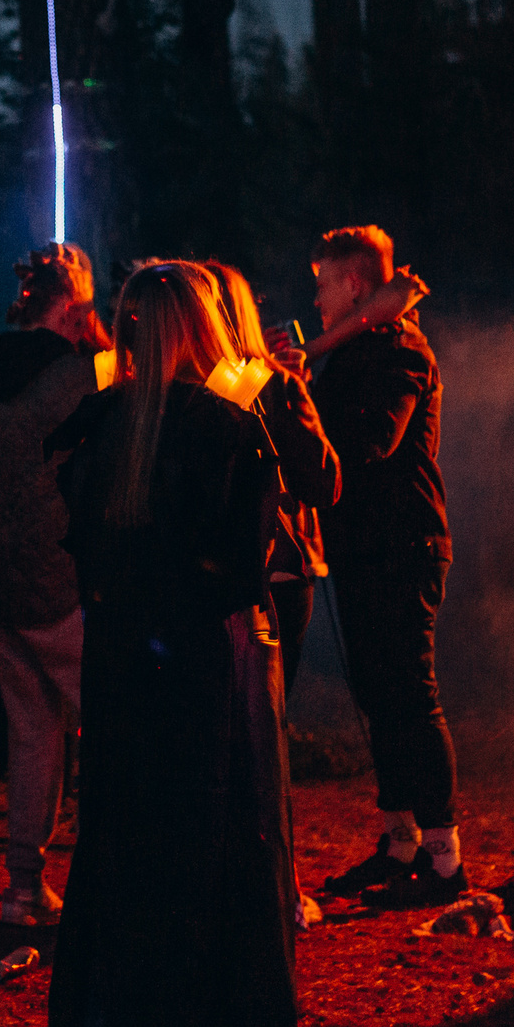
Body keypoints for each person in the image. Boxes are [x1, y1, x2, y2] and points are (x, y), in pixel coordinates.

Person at [47, 261, 295, 1027]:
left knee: (126, 827)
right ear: (204, 326)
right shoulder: (223, 428)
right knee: (202, 828)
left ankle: (123, 1020)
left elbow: (85, 546)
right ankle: (191, 1026)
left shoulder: (102, 425)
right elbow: (245, 565)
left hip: (121, 657)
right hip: (194, 660)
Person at [304, 226, 468, 909]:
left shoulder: (399, 349)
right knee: (378, 694)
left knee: (410, 694)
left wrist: (304, 399)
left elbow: (374, 441)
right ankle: (401, 842)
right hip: (363, 546)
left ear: (354, 285)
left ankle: (444, 859)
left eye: (323, 285)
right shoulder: (349, 352)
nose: (316, 300)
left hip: (405, 544)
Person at [0, 243, 112, 924]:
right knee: (115, 722)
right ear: (73, 305)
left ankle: (23, 887)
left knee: (32, 736)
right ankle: (117, 880)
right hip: (61, 583)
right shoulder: (77, 376)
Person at [204, 262, 341, 933]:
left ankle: (226, 885)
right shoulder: (271, 385)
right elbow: (324, 482)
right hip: (272, 577)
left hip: (208, 580)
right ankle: (274, 889)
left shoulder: (179, 388)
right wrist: (294, 396)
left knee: (218, 733)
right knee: (264, 738)